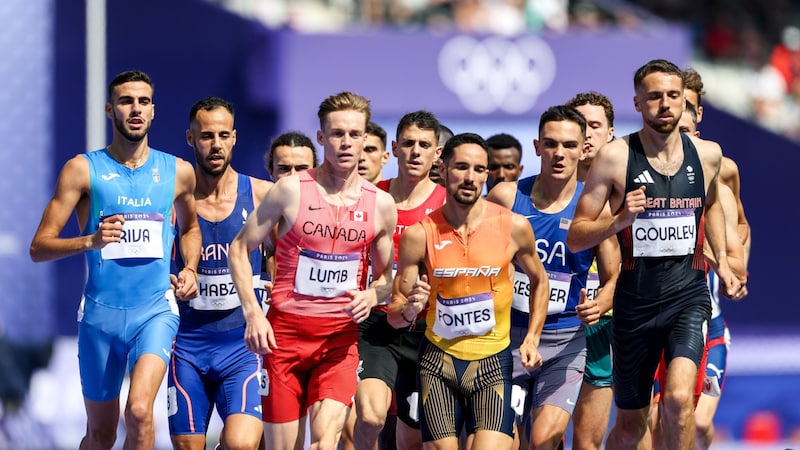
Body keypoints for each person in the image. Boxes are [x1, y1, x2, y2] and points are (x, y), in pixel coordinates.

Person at [565, 59, 742, 450]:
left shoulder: (708, 154)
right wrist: (620, 219)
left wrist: (724, 265)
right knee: (631, 425)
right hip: (634, 304)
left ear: (685, 103)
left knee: (679, 399)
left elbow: (710, 204)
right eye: (654, 97)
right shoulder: (615, 157)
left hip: (688, 296)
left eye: (673, 96)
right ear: (638, 103)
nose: (664, 104)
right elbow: (577, 235)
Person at [29, 70, 201, 450]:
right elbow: (39, 247)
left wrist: (189, 268)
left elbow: (190, 228)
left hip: (155, 310)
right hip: (100, 316)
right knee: (101, 435)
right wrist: (90, 241)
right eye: (126, 101)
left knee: (140, 412)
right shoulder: (82, 169)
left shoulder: (179, 172)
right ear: (111, 110)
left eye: (143, 101)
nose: (135, 109)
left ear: (154, 111)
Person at [228, 91, 397, 450]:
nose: (346, 143)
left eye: (355, 134)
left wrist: (371, 294)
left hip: (338, 342)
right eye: (337, 134)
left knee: (325, 441)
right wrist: (253, 314)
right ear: (321, 138)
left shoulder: (380, 205)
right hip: (284, 340)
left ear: (366, 138)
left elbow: (387, 280)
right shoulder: (290, 190)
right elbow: (239, 249)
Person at [386, 132, 550, 450]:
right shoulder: (420, 235)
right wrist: (409, 308)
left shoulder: (513, 226)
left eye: (478, 169)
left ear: (486, 174)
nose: (470, 177)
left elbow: (539, 279)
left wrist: (532, 337)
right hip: (437, 363)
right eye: (461, 167)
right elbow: (394, 314)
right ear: (443, 169)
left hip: (493, 362)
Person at [486, 106, 619, 450]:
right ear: (536, 146)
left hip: (565, 342)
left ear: (583, 149)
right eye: (551, 144)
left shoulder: (593, 207)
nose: (560, 154)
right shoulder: (505, 197)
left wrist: (604, 300)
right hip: (506, 340)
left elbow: (613, 275)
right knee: (502, 442)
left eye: (569, 145)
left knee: (544, 440)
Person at [167, 96, 272, 450]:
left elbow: (288, 255)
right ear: (190, 138)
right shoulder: (173, 201)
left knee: (242, 444)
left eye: (223, 135)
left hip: (241, 346)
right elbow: (151, 262)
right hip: (188, 345)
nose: (215, 145)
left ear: (235, 138)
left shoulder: (261, 195)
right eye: (206, 136)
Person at [355, 110, 446, 450]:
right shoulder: (368, 196)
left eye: (425, 145)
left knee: (412, 439)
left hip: (426, 333)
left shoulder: (448, 205)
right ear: (393, 148)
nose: (415, 151)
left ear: (438, 153)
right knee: (370, 417)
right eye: (408, 143)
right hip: (375, 326)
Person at [564, 91, 617, 450]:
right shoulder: (542, 192)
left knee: (588, 442)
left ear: (610, 133)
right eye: (579, 126)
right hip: (550, 324)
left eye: (594, 126)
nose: (586, 135)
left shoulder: (627, 192)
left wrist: (606, 298)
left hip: (607, 324)